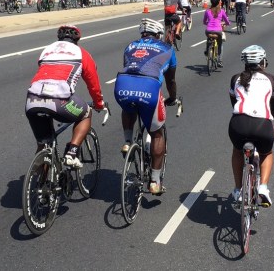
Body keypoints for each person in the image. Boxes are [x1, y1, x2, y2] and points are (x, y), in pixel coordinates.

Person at [25, 25, 106, 168]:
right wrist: (99, 103)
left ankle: (38, 183)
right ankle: (71, 154)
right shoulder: (81, 53)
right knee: (86, 112)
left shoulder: (47, 50)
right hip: (59, 101)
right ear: (77, 39)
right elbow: (93, 84)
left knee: (44, 144)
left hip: (32, 100)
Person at [115, 18, 178, 195]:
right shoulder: (167, 48)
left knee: (128, 105)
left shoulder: (130, 46)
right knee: (157, 134)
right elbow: (171, 80)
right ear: (158, 35)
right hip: (149, 88)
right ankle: (154, 181)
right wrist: (172, 97)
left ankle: (127, 141)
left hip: (122, 84)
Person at [228, 45, 274, 207]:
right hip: (262, 125)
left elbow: (233, 103)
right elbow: (273, 107)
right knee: (266, 153)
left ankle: (238, 189)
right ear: (262, 61)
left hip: (238, 124)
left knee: (237, 151)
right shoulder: (272, 79)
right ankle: (263, 188)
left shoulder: (235, 78)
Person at [203, 0, 230, 67]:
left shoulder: (207, 11)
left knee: (209, 38)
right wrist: (226, 23)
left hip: (208, 30)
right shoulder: (221, 11)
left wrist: (208, 24)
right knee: (220, 44)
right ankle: (219, 61)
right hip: (218, 31)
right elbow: (227, 21)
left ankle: (207, 50)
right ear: (219, 3)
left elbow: (204, 21)